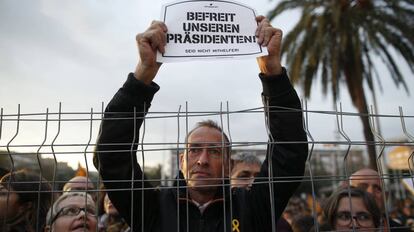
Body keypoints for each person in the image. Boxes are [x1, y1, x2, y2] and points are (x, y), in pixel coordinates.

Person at [94, 15, 308, 232]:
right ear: (181, 161)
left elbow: (289, 153)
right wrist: (143, 73)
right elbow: (113, 157)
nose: (202, 160)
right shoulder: (153, 207)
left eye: (215, 151)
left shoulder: (251, 207)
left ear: (228, 165)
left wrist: (273, 73)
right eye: (194, 150)